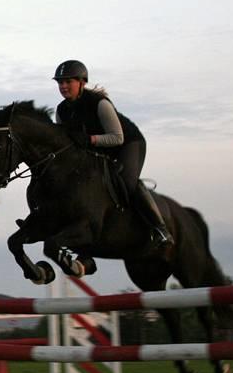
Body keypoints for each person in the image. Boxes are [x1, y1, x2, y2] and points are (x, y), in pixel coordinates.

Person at [53, 59, 174, 249]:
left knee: (126, 182)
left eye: (68, 82)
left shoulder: (99, 103)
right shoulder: (62, 111)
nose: (63, 86)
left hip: (128, 144)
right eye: (60, 82)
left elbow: (117, 137)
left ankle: (160, 229)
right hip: (98, 151)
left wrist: (90, 140)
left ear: (82, 82)